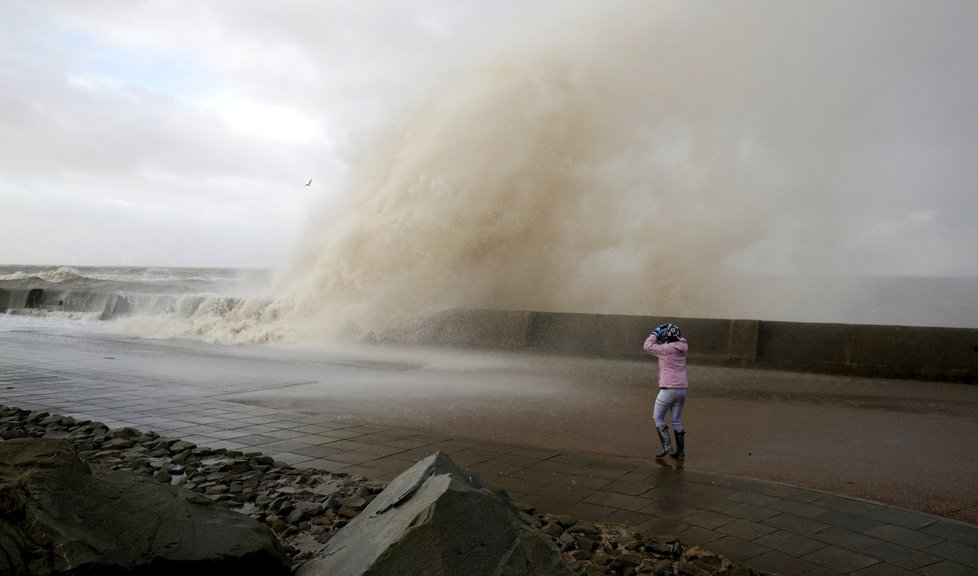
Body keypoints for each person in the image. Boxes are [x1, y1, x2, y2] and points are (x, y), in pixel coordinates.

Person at [643, 323, 688, 459]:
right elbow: (678, 338)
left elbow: (647, 346)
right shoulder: (683, 346)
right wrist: (671, 330)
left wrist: (656, 332)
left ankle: (667, 446)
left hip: (668, 388)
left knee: (658, 417)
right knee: (676, 420)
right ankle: (680, 451)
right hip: (682, 389)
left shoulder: (665, 349)